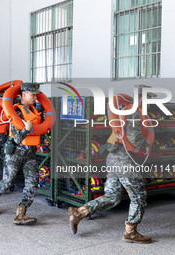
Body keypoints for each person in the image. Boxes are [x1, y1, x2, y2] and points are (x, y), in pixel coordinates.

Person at [68, 84, 155, 244]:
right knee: (139, 195)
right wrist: (147, 144)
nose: (150, 103)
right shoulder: (135, 112)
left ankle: (79, 213)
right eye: (149, 98)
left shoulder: (126, 109)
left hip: (113, 157)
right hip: (123, 160)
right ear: (142, 98)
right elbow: (135, 139)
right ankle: (131, 232)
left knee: (113, 196)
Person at [0, 82, 42, 225]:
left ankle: (21, 213)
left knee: (32, 182)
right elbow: (17, 138)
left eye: (36, 94)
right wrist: (26, 128)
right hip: (15, 153)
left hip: (30, 153)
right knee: (8, 181)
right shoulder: (16, 111)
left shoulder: (35, 111)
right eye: (32, 94)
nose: (35, 97)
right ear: (24, 94)